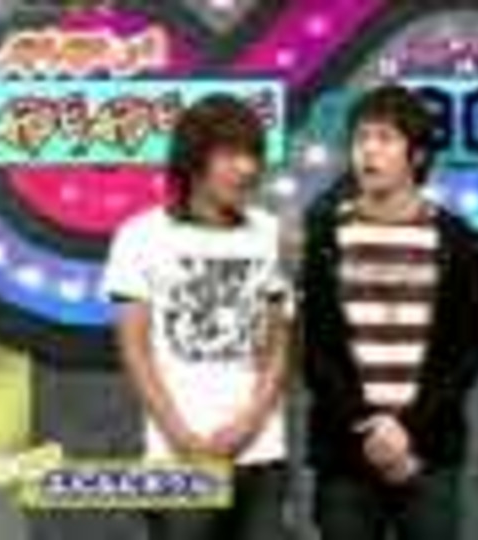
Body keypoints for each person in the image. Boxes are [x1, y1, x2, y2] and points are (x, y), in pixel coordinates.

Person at [301, 85, 478, 540]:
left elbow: (467, 351)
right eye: (361, 139)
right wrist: (369, 429)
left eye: (385, 138)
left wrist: (406, 431)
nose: (369, 151)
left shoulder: (457, 240)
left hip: (427, 454)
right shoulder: (326, 235)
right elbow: (316, 351)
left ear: (417, 155)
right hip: (346, 454)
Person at [102, 94, 289, 540]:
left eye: (253, 155)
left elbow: (279, 345)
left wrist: (248, 424)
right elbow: (135, 351)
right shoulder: (141, 236)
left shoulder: (269, 231)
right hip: (178, 457)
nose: (246, 168)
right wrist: (181, 435)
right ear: (193, 161)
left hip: (260, 452)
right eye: (230, 155)